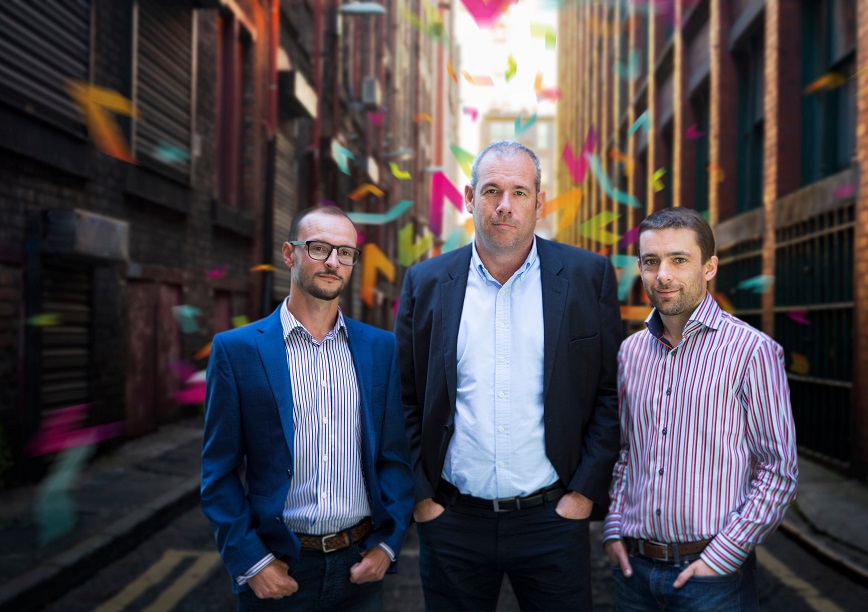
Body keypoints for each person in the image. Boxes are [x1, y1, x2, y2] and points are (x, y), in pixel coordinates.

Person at [394, 141, 622, 611]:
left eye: (519, 192)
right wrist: (423, 500)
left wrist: (582, 495)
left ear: (540, 202)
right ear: (468, 197)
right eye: (491, 190)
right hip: (453, 520)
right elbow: (403, 398)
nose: (504, 205)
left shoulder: (587, 277)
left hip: (552, 519)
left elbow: (610, 393)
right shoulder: (426, 282)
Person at [201, 205, 414, 610]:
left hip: (360, 571)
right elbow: (219, 473)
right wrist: (252, 562)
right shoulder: (237, 350)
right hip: (280, 569)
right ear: (289, 253)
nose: (333, 262)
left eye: (345, 252)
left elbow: (394, 459)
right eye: (319, 248)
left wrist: (388, 545)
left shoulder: (380, 348)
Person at [603, 207, 798, 611]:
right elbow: (625, 452)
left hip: (713, 580)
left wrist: (721, 559)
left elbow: (778, 470)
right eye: (651, 261)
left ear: (709, 267)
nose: (664, 276)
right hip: (632, 574)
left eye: (679, 260)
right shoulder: (629, 353)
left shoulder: (753, 352)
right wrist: (613, 530)